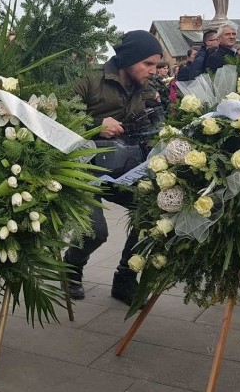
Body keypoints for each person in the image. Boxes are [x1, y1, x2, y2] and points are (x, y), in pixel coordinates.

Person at [65, 30, 163, 304]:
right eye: (148, 64)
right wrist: (96, 125)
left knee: (151, 213)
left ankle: (125, 279)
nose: (153, 71)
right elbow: (56, 117)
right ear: (129, 60)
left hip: (124, 168)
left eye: (156, 65)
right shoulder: (89, 80)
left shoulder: (145, 88)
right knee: (96, 232)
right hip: (84, 169)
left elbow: (155, 121)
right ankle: (71, 269)